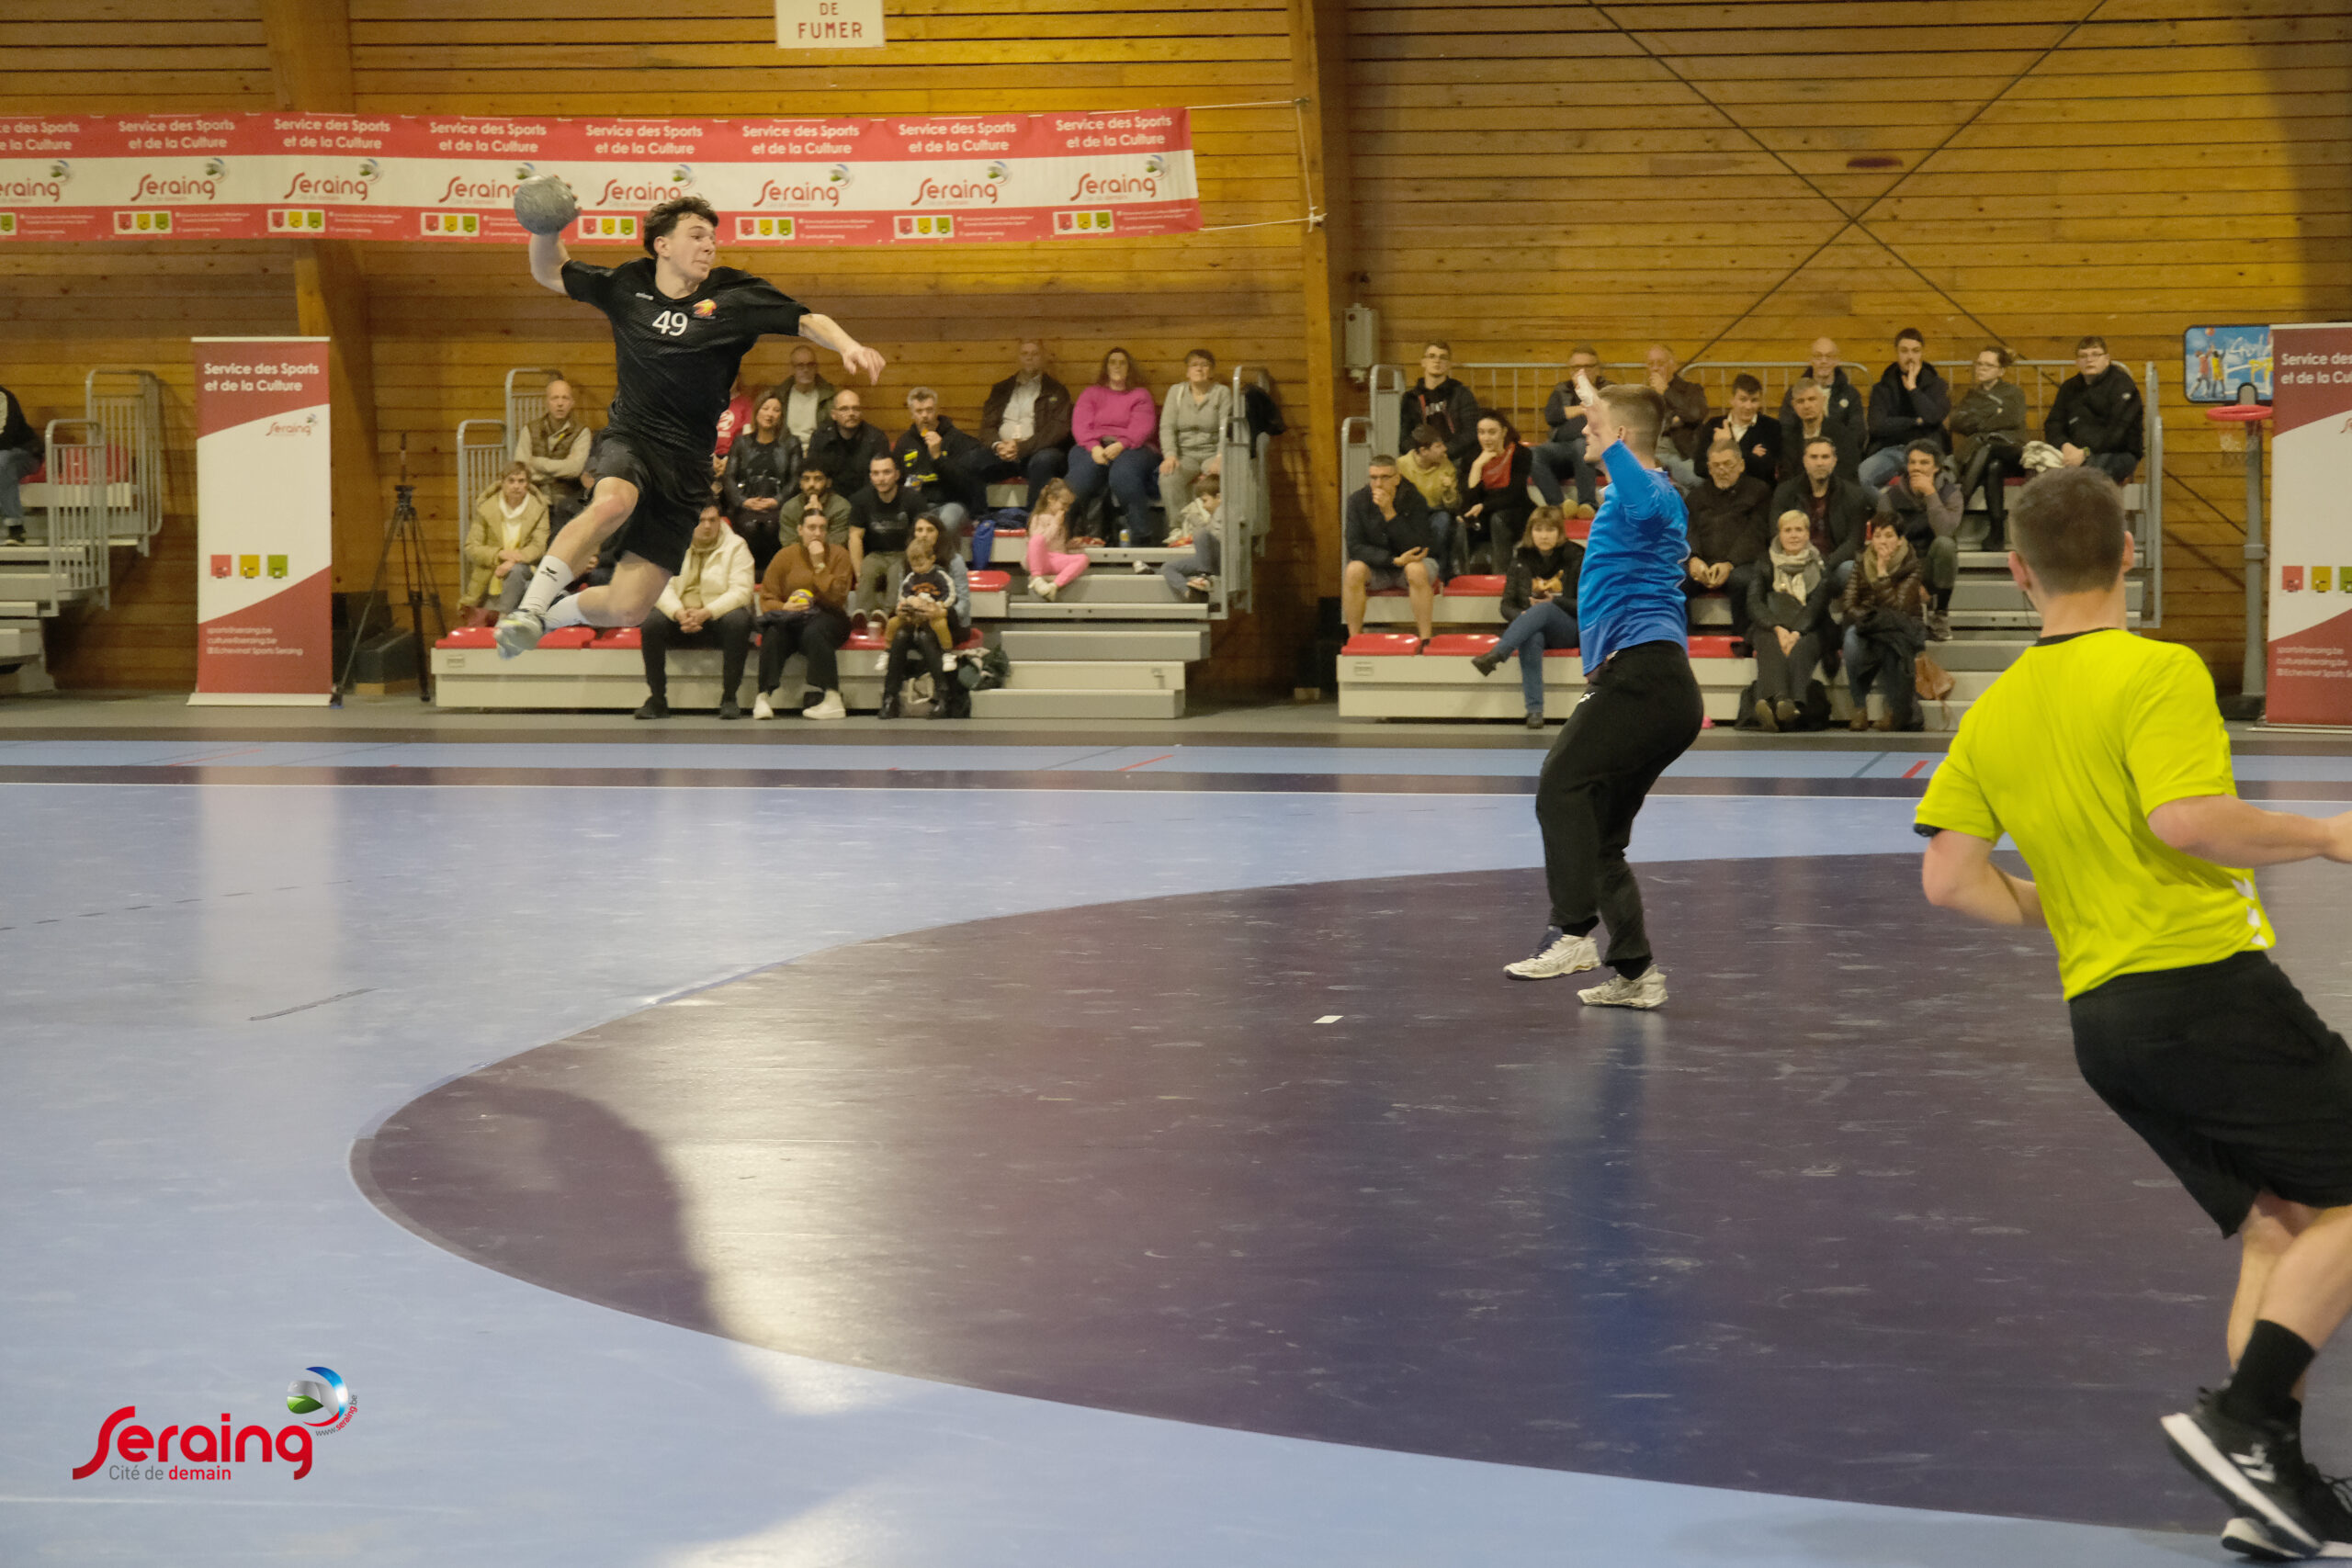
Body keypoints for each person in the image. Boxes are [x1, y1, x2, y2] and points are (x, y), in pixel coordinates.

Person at [1915, 465, 2352, 1562]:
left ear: (2016, 572)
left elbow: (1950, 884)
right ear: (2129, 555)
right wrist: (2329, 835)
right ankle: (2246, 1422)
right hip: (2203, 989)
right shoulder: (2155, 670)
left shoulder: (1996, 706)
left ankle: (2270, 1494)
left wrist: (2064, 907)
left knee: (2280, 1221)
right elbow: (2187, 821)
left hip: (2103, 1021)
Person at [495, 196, 883, 659]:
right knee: (612, 502)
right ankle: (529, 607)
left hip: (687, 466)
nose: (709, 247)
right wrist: (545, 227)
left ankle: (542, 622)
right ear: (662, 244)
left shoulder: (734, 296)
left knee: (628, 607)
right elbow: (550, 271)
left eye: (713, 239)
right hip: (632, 438)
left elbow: (805, 319)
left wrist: (847, 345)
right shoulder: (627, 285)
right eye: (697, 236)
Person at [1505, 380, 1703, 1009]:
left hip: (1645, 680)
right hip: (1650, 685)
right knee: (1599, 836)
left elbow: (1644, 500)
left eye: (1594, 428)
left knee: (1559, 784)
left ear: (1620, 438)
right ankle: (1636, 972)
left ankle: (1570, 931)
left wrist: (1610, 435)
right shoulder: (1629, 496)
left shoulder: (1655, 495)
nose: (1583, 435)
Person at [635, 501, 755, 720]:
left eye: (713, 520)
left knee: (739, 620)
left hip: (716, 617)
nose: (707, 526)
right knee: (651, 623)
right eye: (701, 521)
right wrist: (678, 613)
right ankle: (657, 699)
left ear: (720, 521)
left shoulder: (737, 546)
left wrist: (706, 612)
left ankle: (730, 698)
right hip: (680, 616)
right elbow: (659, 586)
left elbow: (741, 592)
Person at [1470, 504, 1583, 728]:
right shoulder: (1521, 558)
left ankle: (1497, 654)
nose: (1544, 535)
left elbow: (1586, 605)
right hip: (1532, 627)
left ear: (1559, 532)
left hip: (1570, 627)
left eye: (1550, 530)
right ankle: (1534, 711)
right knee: (1531, 637)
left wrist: (1555, 602)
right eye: (1538, 529)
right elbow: (1506, 605)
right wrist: (1524, 616)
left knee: (1545, 609)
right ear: (1530, 532)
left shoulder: (1576, 556)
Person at [752, 510, 854, 720]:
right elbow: (767, 597)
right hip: (792, 617)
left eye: (822, 528)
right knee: (773, 632)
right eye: (811, 528)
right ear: (800, 530)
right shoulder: (784, 556)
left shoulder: (839, 555)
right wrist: (784, 606)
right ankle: (762, 696)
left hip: (830, 616)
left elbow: (838, 597)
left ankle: (832, 698)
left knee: (815, 631)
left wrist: (819, 564)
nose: (817, 533)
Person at [1835, 514, 1928, 731]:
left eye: (1889, 535)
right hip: (1870, 625)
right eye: (1878, 536)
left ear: (1900, 540)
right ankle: (1859, 708)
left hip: (1901, 630)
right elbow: (1849, 603)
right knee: (1850, 638)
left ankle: (1892, 709)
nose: (1883, 541)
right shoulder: (1861, 561)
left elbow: (1899, 609)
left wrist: (1882, 573)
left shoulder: (1912, 566)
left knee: (1890, 642)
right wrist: (1869, 619)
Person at [1747, 509, 1834, 732]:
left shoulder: (1820, 565)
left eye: (1799, 530)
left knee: (1802, 646)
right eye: (1788, 530)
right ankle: (1786, 703)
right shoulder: (1764, 562)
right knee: (1767, 641)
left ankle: (1774, 702)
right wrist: (1777, 628)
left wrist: (1795, 632)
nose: (1793, 535)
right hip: (1771, 625)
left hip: (1810, 627)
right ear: (1779, 534)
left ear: (1808, 534)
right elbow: (1754, 602)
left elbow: (1816, 607)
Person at [1341, 454, 1442, 641]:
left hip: (1413, 562)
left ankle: (1425, 638)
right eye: (1374, 478)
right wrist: (1392, 560)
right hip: (1380, 566)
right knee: (1353, 570)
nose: (1378, 483)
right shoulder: (1357, 501)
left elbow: (1418, 546)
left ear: (1397, 478)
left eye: (1385, 477)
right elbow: (1355, 547)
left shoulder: (1414, 498)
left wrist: (1390, 514)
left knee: (1416, 570)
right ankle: (1354, 639)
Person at [1067, 348, 1161, 544]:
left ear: (1129, 368)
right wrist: (1094, 447)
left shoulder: (1140, 395)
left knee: (1123, 476)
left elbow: (1143, 427)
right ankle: (1062, 533)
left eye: (1122, 363)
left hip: (1132, 446)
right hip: (1093, 446)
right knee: (1079, 480)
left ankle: (1141, 537)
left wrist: (1121, 444)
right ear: (1106, 367)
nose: (1117, 367)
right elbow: (1080, 424)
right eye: (1113, 362)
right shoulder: (1091, 393)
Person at [1683, 440, 1774, 643]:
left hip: (1742, 563)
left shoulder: (1759, 491)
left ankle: (1744, 642)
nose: (1722, 470)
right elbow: (1689, 530)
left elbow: (1756, 533)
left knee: (1743, 581)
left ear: (1741, 465)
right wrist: (1694, 559)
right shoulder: (1696, 496)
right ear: (1709, 468)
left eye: (1728, 464)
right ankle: (1682, 642)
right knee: (1675, 578)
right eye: (1716, 465)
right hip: (1703, 563)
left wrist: (1730, 563)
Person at [974, 338, 1073, 505]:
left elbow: (1058, 430)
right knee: (970, 459)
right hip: (1002, 452)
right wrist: (998, 445)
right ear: (1017, 358)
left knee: (1045, 460)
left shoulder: (1056, 390)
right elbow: (987, 426)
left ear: (1042, 358)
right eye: (1024, 353)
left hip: (1035, 453)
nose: (1029, 358)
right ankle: (978, 515)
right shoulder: (1000, 389)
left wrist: (1021, 448)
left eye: (1035, 354)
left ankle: (1034, 518)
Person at [1880, 439, 1962, 640]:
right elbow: (1883, 542)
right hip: (1901, 564)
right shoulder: (1890, 496)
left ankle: (1940, 615)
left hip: (1934, 565)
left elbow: (1944, 531)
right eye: (1912, 462)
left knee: (1946, 545)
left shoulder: (1950, 493)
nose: (1916, 468)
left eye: (1924, 463)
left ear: (1936, 468)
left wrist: (1931, 494)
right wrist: (1913, 582)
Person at [1949, 344, 2029, 552]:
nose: (1981, 368)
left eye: (1988, 365)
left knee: (1989, 447)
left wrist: (1978, 421)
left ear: (2001, 371)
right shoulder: (1971, 395)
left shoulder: (2014, 393)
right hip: (1988, 455)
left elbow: (2011, 419)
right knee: (1993, 465)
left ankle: (1957, 508)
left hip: (2012, 450)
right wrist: (1993, 414)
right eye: (1979, 364)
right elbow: (1957, 421)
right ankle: (1996, 532)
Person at [878, 531, 964, 719]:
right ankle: (890, 697)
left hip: (942, 622)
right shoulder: (911, 576)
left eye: (929, 530)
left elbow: (957, 601)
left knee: (925, 637)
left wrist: (939, 609)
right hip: (915, 620)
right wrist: (905, 607)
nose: (917, 567)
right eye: (918, 530)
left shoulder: (946, 570)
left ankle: (944, 696)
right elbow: (903, 595)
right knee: (899, 635)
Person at [1770, 434, 1874, 580]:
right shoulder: (1785, 491)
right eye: (1814, 457)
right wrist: (1801, 561)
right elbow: (1776, 532)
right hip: (1794, 560)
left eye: (1825, 457)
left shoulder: (1853, 494)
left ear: (1834, 461)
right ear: (1805, 461)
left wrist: (1824, 563)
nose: (1820, 463)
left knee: (1849, 569)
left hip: (1834, 563)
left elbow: (1854, 541)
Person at [719, 389, 799, 579]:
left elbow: (795, 479)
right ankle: (745, 576)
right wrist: (743, 501)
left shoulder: (791, 444)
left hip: (777, 505)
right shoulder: (741, 443)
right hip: (746, 504)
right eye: (765, 408)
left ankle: (773, 576)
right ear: (757, 412)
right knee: (750, 525)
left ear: (782, 416)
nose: (770, 414)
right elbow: (729, 477)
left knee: (772, 524)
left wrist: (776, 501)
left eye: (776, 410)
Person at [459, 462, 551, 622]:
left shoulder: (539, 508)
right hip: (490, 573)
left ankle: (504, 620)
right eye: (511, 480)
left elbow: (539, 546)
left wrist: (512, 561)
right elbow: (471, 547)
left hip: (526, 569)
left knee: (515, 571)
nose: (516, 486)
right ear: (502, 483)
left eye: (521, 481)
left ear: (528, 484)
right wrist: (500, 554)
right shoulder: (486, 508)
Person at [1860, 328, 1951, 489]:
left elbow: (1934, 416)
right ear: (1897, 353)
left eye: (1915, 351)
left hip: (1926, 450)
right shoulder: (1882, 388)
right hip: (1891, 449)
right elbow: (1877, 426)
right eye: (1904, 351)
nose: (1910, 357)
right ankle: (1888, 512)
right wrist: (1916, 421)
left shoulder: (1937, 384)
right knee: (1863, 476)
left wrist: (1913, 389)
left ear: (1922, 353)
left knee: (1938, 483)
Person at [2046, 335, 2144, 482]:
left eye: (2095, 354)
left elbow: (2118, 431)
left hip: (2118, 453)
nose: (2089, 360)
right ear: (2077, 362)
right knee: (2043, 472)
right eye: (2083, 356)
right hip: (2074, 454)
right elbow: (2053, 423)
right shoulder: (2069, 387)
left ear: (2107, 359)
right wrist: (2064, 445)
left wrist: (2085, 452)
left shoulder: (2122, 384)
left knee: (2086, 478)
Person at [1159, 348, 1230, 525]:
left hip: (1212, 453)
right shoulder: (1176, 392)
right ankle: (1179, 528)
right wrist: (1170, 455)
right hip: (1185, 455)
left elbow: (1227, 428)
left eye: (1205, 365)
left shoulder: (1221, 393)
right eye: (1194, 365)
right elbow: (1167, 427)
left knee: (1223, 476)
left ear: (1212, 371)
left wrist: (1221, 457)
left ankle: (1216, 528)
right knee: (1168, 477)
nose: (1199, 369)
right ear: (1187, 371)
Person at [892, 386, 978, 532]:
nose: (925, 415)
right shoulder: (905, 442)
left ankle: (947, 555)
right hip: (919, 504)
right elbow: (898, 481)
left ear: (936, 410)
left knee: (946, 523)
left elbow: (966, 482)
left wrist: (938, 457)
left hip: (952, 503)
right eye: (919, 411)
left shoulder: (955, 438)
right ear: (912, 413)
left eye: (929, 410)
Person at [1532, 344, 1606, 513]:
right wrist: (1583, 409)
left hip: (1596, 451)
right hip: (1562, 448)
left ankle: (1588, 504)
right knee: (1535, 454)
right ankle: (1560, 504)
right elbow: (1552, 416)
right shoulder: (1561, 389)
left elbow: (1609, 412)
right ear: (1570, 370)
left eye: (1588, 367)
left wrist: (1589, 393)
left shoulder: (1607, 388)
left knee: (1582, 445)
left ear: (1597, 369)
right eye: (1576, 367)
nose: (1582, 371)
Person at [514, 377, 593, 530]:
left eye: (565, 398)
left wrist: (538, 463)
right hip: (534, 497)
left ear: (572, 403)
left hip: (567, 500)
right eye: (555, 398)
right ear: (547, 402)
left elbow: (575, 469)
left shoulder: (582, 432)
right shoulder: (530, 429)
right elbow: (521, 468)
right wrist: (559, 470)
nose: (560, 403)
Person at [847, 452, 921, 615]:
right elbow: (855, 537)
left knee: (896, 571)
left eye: (886, 472)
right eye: (876, 473)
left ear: (897, 474)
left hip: (904, 552)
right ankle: (862, 615)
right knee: (868, 568)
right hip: (876, 554)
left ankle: (889, 615)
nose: (881, 478)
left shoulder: (913, 499)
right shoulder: (860, 500)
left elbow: (920, 537)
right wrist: (859, 574)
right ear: (871, 476)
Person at [1458, 414, 1532, 570]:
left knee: (1497, 519)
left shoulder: (1520, 453)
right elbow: (1468, 498)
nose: (1486, 438)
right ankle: (1462, 577)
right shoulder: (1471, 457)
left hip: (1515, 512)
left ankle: (1501, 575)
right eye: (1481, 432)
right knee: (1461, 522)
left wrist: (1485, 506)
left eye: (1492, 432)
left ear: (1504, 432)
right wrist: (1477, 466)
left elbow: (1514, 494)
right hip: (1483, 513)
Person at [1399, 341, 1482, 468]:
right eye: (1432, 356)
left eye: (1443, 357)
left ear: (1449, 364)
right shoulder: (1411, 398)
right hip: (1421, 459)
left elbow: (1471, 432)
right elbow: (1404, 436)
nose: (1437, 361)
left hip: (1456, 458)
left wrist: (1443, 452)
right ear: (1423, 362)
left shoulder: (1462, 394)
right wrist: (1423, 455)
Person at [1778, 336, 1865, 449]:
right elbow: (1786, 428)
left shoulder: (1850, 393)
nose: (1824, 361)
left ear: (1837, 360)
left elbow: (1858, 433)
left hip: (1839, 454)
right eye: (1818, 356)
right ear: (1810, 360)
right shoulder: (1795, 392)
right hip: (1801, 453)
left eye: (1829, 356)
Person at [1396, 423, 1461, 574]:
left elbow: (1452, 505)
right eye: (1438, 446)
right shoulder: (1401, 466)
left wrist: (1449, 490)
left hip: (1435, 511)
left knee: (1443, 521)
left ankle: (1436, 569)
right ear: (1424, 451)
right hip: (1409, 513)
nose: (1444, 449)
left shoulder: (1446, 465)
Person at [1698, 373, 1781, 487]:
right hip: (1718, 493)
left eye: (1754, 400)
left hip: (1757, 495)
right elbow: (1700, 468)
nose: (1748, 406)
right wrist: (1750, 456)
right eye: (1743, 399)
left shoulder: (1771, 426)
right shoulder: (1714, 425)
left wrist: (1727, 443)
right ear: (1732, 400)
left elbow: (1764, 469)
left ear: (1760, 402)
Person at [1643, 344, 1709, 486]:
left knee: (1696, 479)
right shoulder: (1643, 395)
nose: (1655, 368)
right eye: (1651, 364)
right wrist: (1675, 418)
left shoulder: (1691, 390)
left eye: (1660, 364)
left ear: (1673, 366)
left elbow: (1695, 414)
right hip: (1648, 454)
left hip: (1679, 454)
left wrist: (1666, 391)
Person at [1780, 378, 1860, 483]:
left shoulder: (1842, 434)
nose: (1806, 406)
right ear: (1794, 406)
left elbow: (1847, 472)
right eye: (1800, 401)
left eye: (1812, 399)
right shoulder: (1788, 437)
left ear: (1823, 400)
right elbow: (1787, 475)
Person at [1161, 471, 1223, 600]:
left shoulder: (1224, 512)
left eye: (1205, 501)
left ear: (1219, 497)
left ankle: (1204, 576)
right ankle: (1190, 594)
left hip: (1221, 560)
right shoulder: (1213, 516)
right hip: (1206, 559)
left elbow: (1214, 537)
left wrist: (1199, 526)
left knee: (1200, 533)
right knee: (1168, 567)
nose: (1204, 506)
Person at [1023, 478, 1087, 602]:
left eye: (1069, 506)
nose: (1066, 509)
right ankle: (1037, 579)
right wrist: (1055, 524)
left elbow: (1057, 545)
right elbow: (1040, 541)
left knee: (1083, 558)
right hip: (1040, 560)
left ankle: (1054, 586)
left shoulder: (1061, 521)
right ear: (1051, 499)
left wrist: (1069, 545)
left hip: (1056, 560)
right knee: (1036, 540)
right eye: (1064, 504)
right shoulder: (1038, 518)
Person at [775, 460, 852, 550]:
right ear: (800, 483)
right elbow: (788, 543)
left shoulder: (841, 507)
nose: (811, 484)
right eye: (806, 479)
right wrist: (806, 518)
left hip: (831, 558)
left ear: (828, 483)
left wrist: (819, 516)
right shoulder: (790, 508)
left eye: (818, 479)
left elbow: (837, 543)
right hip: (798, 557)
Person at [777, 344, 835, 447]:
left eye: (810, 365)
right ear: (791, 369)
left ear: (816, 368)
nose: (806, 370)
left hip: (817, 452)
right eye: (800, 365)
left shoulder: (830, 397)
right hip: (787, 453)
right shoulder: (780, 396)